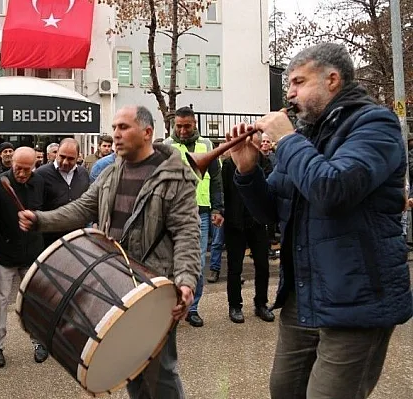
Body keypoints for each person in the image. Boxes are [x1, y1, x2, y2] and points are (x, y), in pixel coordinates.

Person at [229, 43, 412, 399]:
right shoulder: (307, 136)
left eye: (299, 82)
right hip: (305, 292)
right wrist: (247, 169)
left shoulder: (375, 123)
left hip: (357, 296)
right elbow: (270, 212)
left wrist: (286, 139)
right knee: (284, 389)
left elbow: (333, 189)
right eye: (289, 86)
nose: (291, 93)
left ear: (332, 79)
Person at [18, 105, 200, 399]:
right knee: (129, 366)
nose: (115, 134)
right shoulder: (110, 172)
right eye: (114, 127)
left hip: (153, 289)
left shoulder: (174, 177)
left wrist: (186, 280)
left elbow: (187, 233)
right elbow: (82, 208)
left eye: (123, 127)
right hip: (116, 286)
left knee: (160, 371)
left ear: (147, 132)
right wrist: (41, 220)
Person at [0, 147, 48, 367]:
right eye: (17, 168)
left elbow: (46, 216)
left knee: (35, 300)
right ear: (11, 162)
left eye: (26, 169)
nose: (21, 174)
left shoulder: (40, 182)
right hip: (3, 252)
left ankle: (39, 340)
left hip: (32, 252)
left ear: (35, 166)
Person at [163, 106, 224, 327]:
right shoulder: (167, 146)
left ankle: (193, 308)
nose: (182, 130)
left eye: (186, 126)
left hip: (202, 212)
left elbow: (216, 178)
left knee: (196, 263)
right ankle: (171, 308)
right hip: (172, 212)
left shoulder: (206, 145)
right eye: (178, 126)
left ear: (195, 123)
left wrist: (218, 209)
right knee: (170, 263)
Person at [221, 147, 274, 323]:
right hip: (234, 223)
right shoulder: (228, 164)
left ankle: (261, 304)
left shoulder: (263, 162)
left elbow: (269, 186)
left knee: (263, 265)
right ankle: (235, 306)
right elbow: (224, 192)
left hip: (257, 222)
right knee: (234, 268)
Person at [34, 138, 90, 246]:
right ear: (57, 153)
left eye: (70, 159)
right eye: (62, 157)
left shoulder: (83, 174)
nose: (65, 162)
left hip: (77, 240)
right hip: (49, 241)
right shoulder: (41, 174)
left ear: (78, 157)